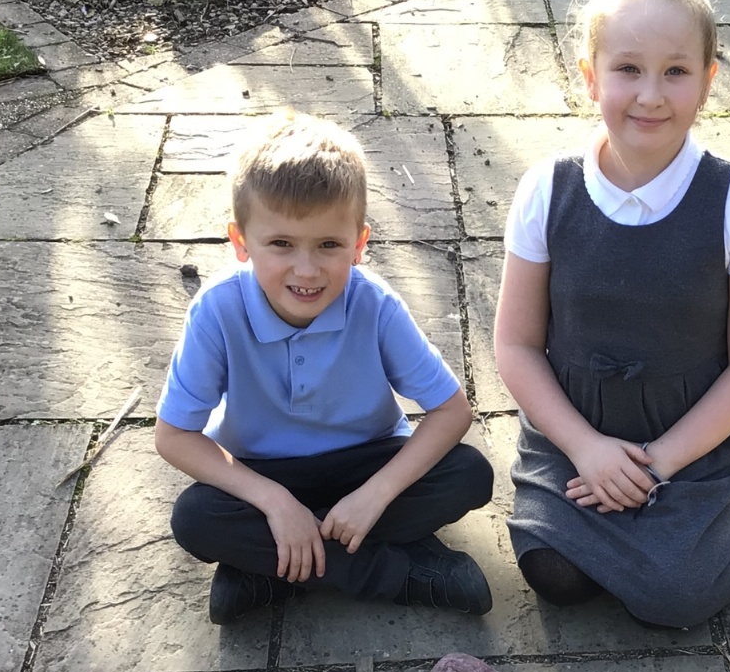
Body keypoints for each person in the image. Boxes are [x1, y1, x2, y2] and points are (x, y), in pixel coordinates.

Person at [493, 0, 730, 630]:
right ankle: (639, 522)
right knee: (554, 574)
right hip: (574, 429)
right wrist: (586, 448)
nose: (651, 96)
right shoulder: (547, 190)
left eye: (676, 71)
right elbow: (515, 345)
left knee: (679, 596)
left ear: (707, 81)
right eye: (628, 68)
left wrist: (660, 463)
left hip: (691, 436)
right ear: (590, 75)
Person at [155, 113, 494, 625]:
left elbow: (452, 411)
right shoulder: (216, 311)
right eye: (281, 244)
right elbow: (173, 436)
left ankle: (268, 572)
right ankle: (403, 574)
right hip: (262, 470)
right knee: (195, 518)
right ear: (240, 241)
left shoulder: (374, 304)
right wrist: (275, 502)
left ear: (359, 243)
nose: (307, 270)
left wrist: (375, 495)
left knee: (468, 475)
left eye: (329, 245)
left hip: (366, 461)